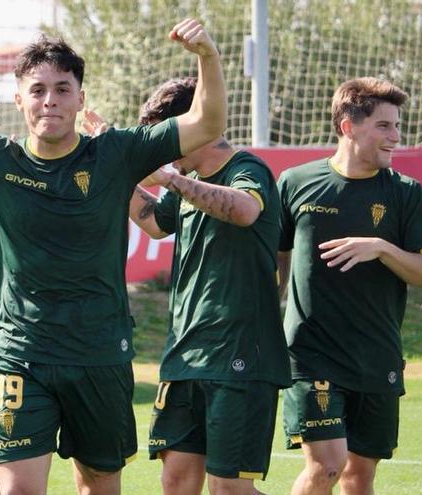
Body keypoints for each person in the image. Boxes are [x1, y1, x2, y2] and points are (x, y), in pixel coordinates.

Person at [0, 16, 226, 495]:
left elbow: (208, 121)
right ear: (19, 99)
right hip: (21, 355)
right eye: (38, 90)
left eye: (63, 89)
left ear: (80, 99)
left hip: (100, 353)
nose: (50, 101)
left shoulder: (116, 153)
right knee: (18, 489)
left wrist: (207, 56)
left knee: (98, 483)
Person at [114, 77, 290, 495]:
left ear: (193, 124)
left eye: (167, 138)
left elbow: (245, 210)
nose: (164, 151)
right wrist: (111, 167)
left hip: (239, 354)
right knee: (176, 482)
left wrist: (172, 178)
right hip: (184, 356)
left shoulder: (248, 169)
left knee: (228, 488)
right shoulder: (188, 183)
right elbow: (155, 223)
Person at [276, 77, 422, 495]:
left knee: (359, 476)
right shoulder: (295, 183)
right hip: (312, 355)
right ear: (349, 127)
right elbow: (276, 265)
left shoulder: (406, 194)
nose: (396, 137)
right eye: (384, 126)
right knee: (326, 466)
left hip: (376, 355)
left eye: (397, 126)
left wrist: (381, 248)